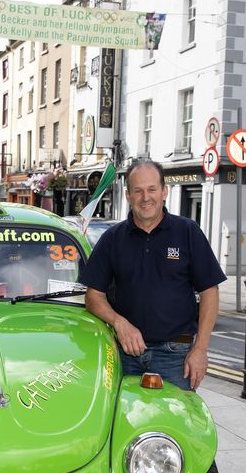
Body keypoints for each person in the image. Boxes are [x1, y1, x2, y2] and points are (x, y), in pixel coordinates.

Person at [80, 159, 226, 391]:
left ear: (164, 191)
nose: (145, 197)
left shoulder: (188, 232)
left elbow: (210, 291)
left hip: (176, 358)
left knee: (174, 424)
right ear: (128, 195)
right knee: (124, 425)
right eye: (138, 191)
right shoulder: (112, 238)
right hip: (124, 355)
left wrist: (200, 350)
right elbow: (92, 296)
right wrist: (120, 323)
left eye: (152, 189)